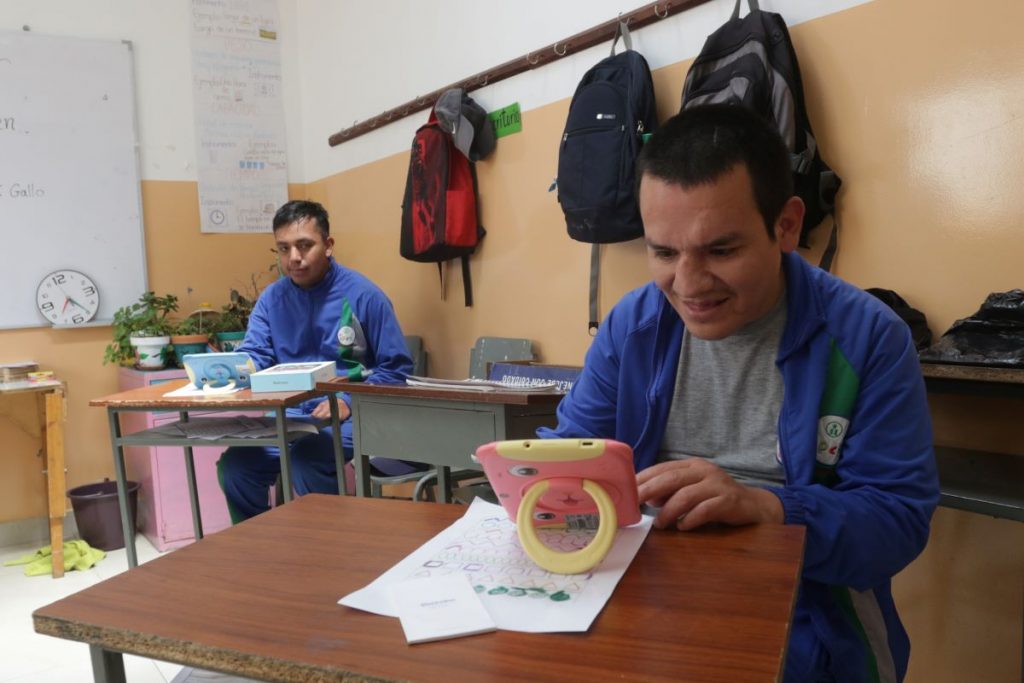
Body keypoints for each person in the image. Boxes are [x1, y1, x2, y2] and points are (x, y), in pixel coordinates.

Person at [540, 104, 938, 683]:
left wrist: (767, 506)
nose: (689, 285)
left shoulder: (868, 338)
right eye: (664, 252)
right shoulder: (632, 325)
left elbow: (897, 522)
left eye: (721, 251)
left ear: (786, 225)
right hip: (644, 598)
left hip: (810, 612)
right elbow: (575, 454)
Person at [218, 200, 422, 521]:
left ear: (328, 246)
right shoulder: (272, 300)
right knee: (236, 468)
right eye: (283, 249)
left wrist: (348, 401)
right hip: (290, 416)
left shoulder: (364, 296)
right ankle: (257, 543)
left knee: (306, 459)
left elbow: (396, 369)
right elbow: (256, 355)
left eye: (304, 246)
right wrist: (228, 371)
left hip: (354, 415)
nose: (294, 258)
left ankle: (334, 547)